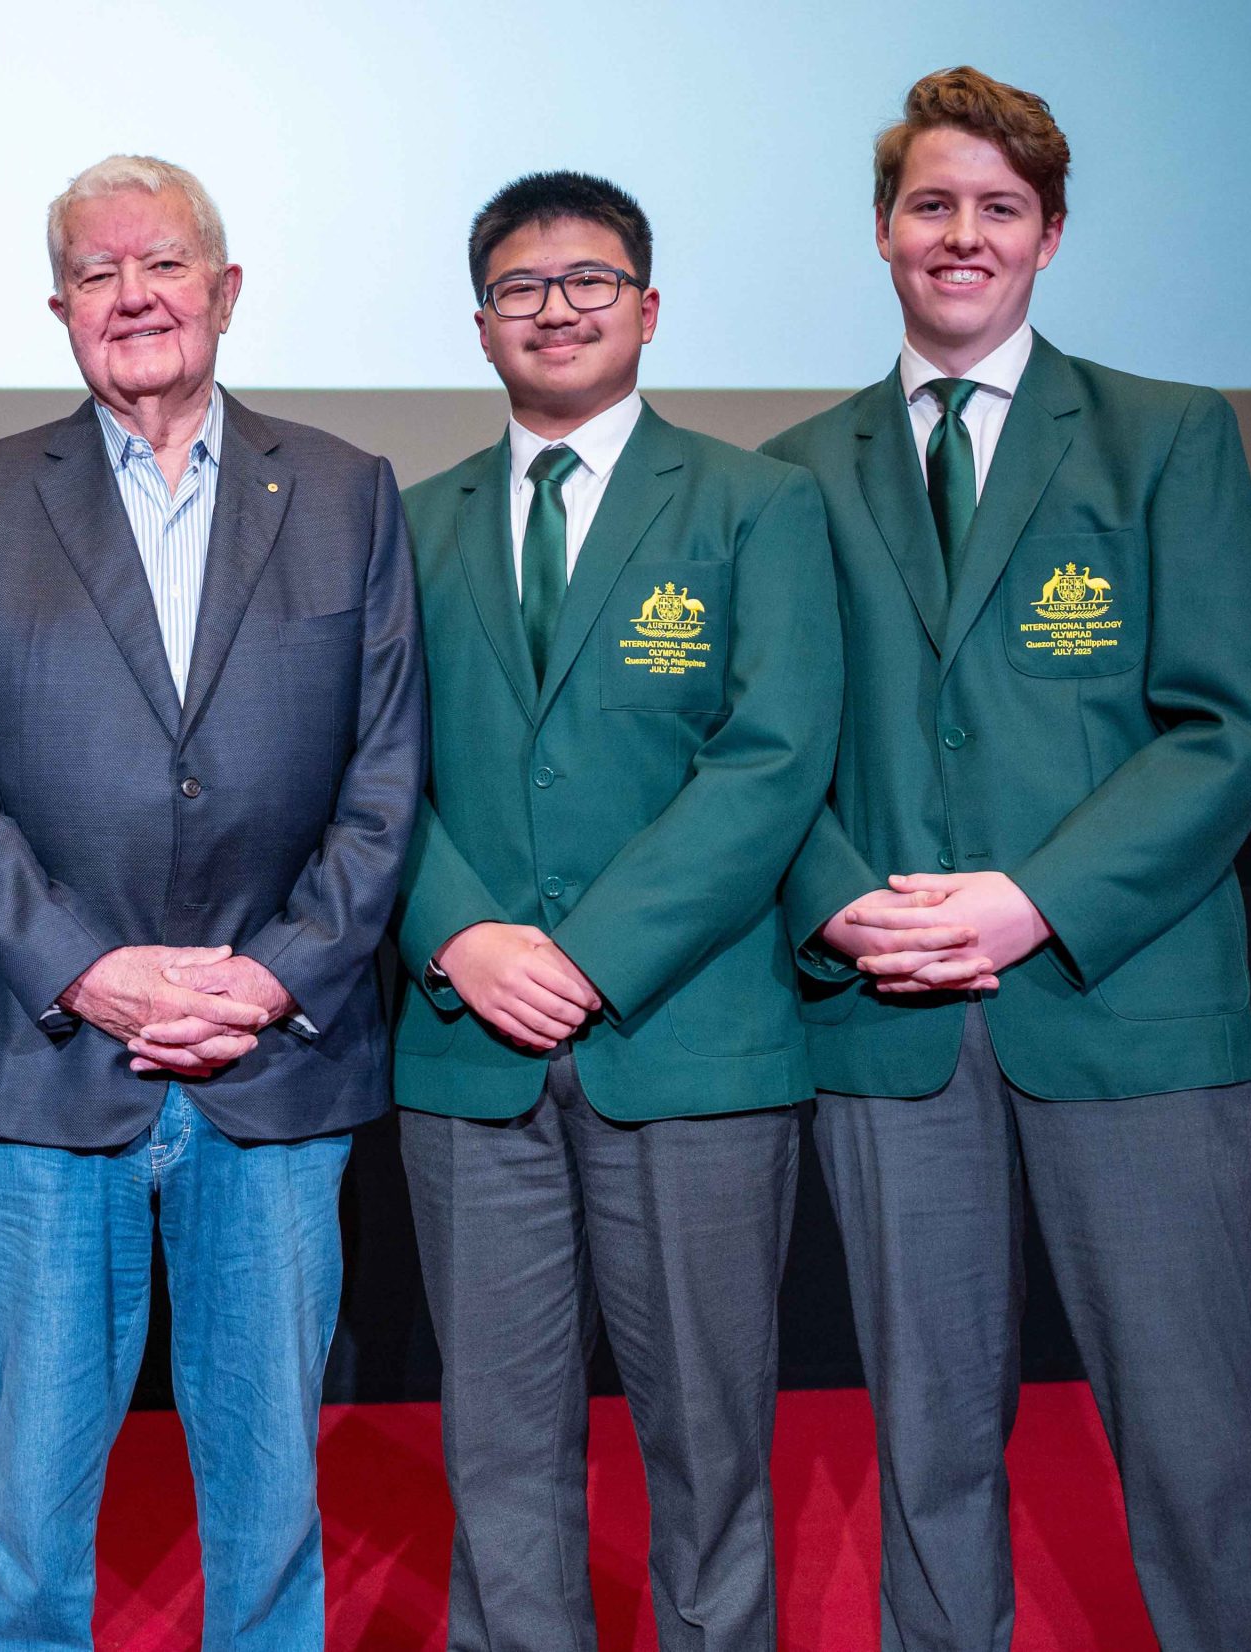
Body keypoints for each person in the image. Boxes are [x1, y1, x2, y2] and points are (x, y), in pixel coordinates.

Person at [761, 66, 1251, 1651]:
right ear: (883, 229)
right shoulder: (790, 473)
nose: (964, 235)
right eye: (932, 204)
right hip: (888, 1018)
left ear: (1051, 236)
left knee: (1200, 1443)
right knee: (928, 1451)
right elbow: (767, 750)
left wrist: (1033, 901)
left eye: (999, 208)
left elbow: (1227, 726)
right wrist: (841, 903)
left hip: (1124, 1005)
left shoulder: (1167, 436)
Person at [0, 155, 423, 1651]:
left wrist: (273, 975)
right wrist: (90, 971)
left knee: (270, 1500)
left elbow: (387, 776)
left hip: (276, 1058)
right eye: (97, 272)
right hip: (44, 1058)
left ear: (226, 289)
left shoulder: (347, 492)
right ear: (60, 307)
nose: (133, 297)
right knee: (28, 1503)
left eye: (165, 264)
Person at [391, 171, 838, 1652]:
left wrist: (593, 955)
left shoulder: (757, 504)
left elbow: (773, 760)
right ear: (481, 325)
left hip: (691, 1040)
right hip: (470, 1045)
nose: (557, 309)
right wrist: (457, 933)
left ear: (648, 309)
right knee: (497, 1448)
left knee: (709, 1443)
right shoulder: (406, 525)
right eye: (521, 288)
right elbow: (365, 770)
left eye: (590, 281)